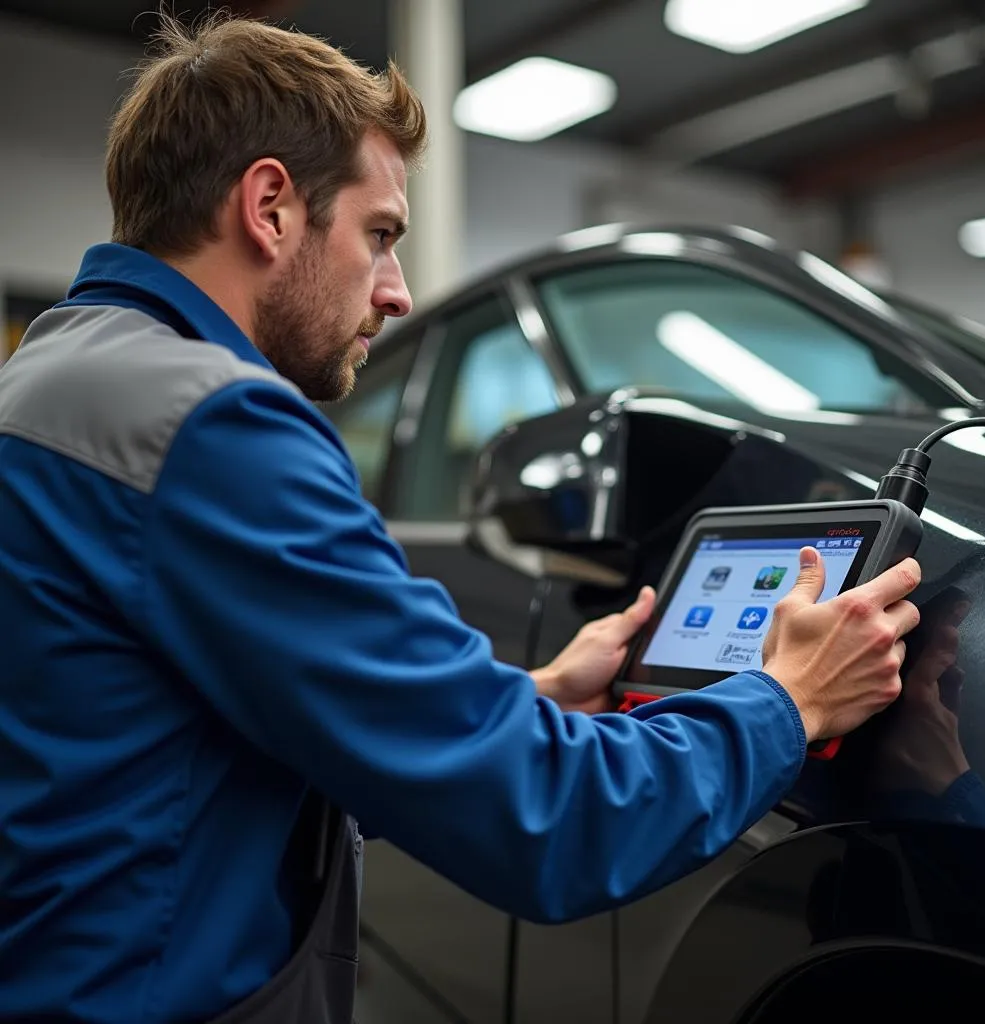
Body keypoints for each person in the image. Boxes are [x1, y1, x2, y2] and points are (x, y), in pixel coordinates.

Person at [0, 13, 921, 1024]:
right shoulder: (213, 426)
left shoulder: (52, 379)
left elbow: (163, 744)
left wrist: (522, 696)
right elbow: (550, 824)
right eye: (380, 234)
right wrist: (785, 702)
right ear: (269, 207)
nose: (395, 291)